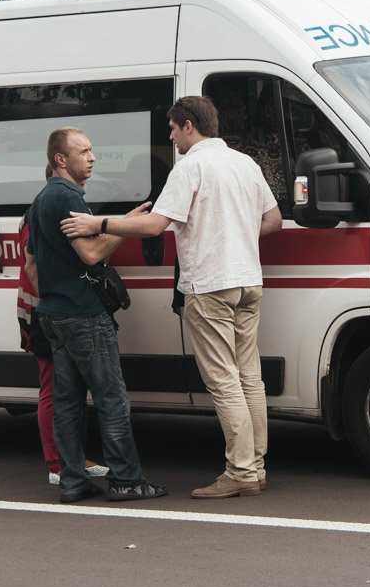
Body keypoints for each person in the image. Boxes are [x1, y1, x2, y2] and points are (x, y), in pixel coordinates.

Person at [61, 96, 283, 499]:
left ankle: (241, 472)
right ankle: (257, 466)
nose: (170, 137)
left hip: (211, 285)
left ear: (187, 126)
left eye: (171, 128)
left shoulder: (191, 167)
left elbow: (153, 226)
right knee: (250, 377)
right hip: (249, 281)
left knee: (224, 380)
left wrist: (98, 221)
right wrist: (235, 235)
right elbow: (273, 219)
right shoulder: (245, 163)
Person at [28, 127, 165, 504]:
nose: (92, 157)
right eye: (83, 151)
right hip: (83, 314)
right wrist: (125, 227)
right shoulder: (68, 195)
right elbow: (91, 254)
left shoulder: (40, 199)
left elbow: (33, 262)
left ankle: (72, 481)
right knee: (111, 399)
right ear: (61, 159)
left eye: (92, 150)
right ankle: (126, 479)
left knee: (68, 403)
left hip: (53, 313)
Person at [17, 212, 109, 487]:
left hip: (52, 310)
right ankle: (57, 464)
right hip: (43, 311)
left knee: (72, 390)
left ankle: (75, 458)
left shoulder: (47, 211)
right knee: (54, 388)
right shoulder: (40, 215)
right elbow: (37, 267)